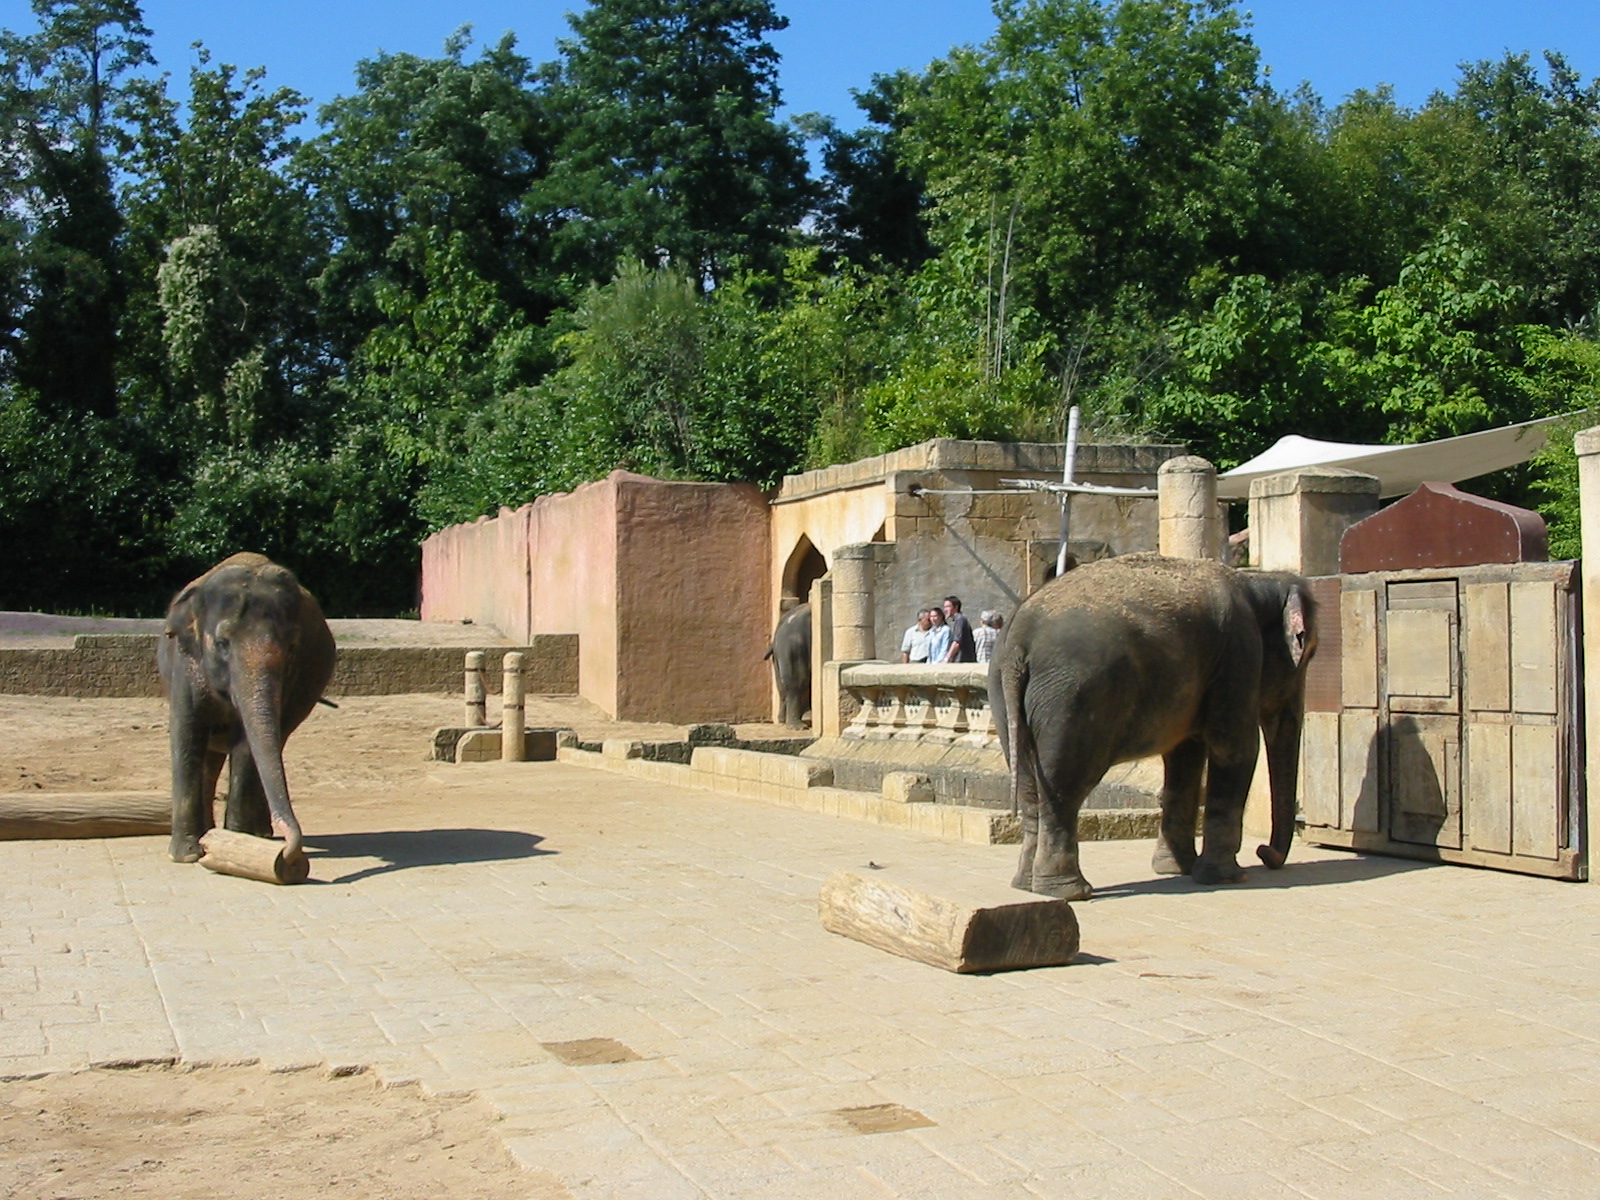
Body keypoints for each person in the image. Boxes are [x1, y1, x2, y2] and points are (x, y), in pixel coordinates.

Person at [942, 595, 977, 663]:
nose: (945, 610)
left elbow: (957, 642)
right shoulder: (957, 620)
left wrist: (947, 659)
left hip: (962, 660)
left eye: (948, 607)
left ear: (956, 607)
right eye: (945, 607)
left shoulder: (960, 619)